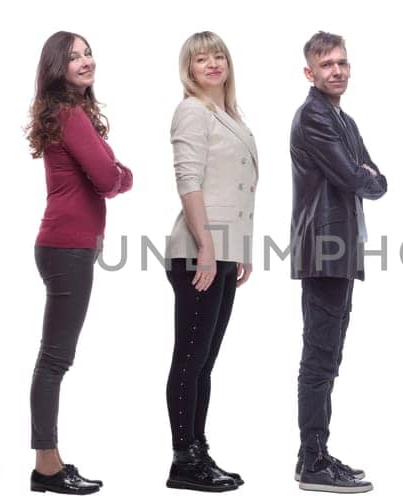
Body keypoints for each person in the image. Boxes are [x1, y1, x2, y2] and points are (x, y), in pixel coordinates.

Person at [24, 30, 132, 495]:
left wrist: (112, 174)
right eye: (74, 57)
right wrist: (125, 174)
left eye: (88, 53)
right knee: (54, 359)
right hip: (66, 247)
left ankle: (50, 462)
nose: (86, 61)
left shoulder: (71, 113)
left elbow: (102, 178)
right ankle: (46, 466)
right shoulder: (69, 115)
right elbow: (109, 178)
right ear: (57, 68)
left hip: (68, 245)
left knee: (56, 358)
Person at [287, 30, 385, 494]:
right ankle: (311, 459)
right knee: (320, 357)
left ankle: (319, 452)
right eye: (327, 65)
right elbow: (355, 175)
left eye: (342, 63)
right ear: (310, 72)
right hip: (323, 250)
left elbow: (378, 179)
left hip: (341, 251)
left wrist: (366, 174)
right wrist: (363, 173)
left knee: (330, 357)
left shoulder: (342, 118)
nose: (337, 71)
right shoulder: (314, 118)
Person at [163, 30, 256, 493]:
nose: (213, 63)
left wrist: (240, 249)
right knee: (190, 357)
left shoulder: (227, 115)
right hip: (197, 252)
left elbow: (236, 192)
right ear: (189, 69)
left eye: (218, 55)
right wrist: (205, 244)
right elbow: (189, 180)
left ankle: (198, 449)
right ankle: (184, 459)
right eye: (202, 59)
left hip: (222, 251)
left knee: (204, 363)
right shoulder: (192, 111)